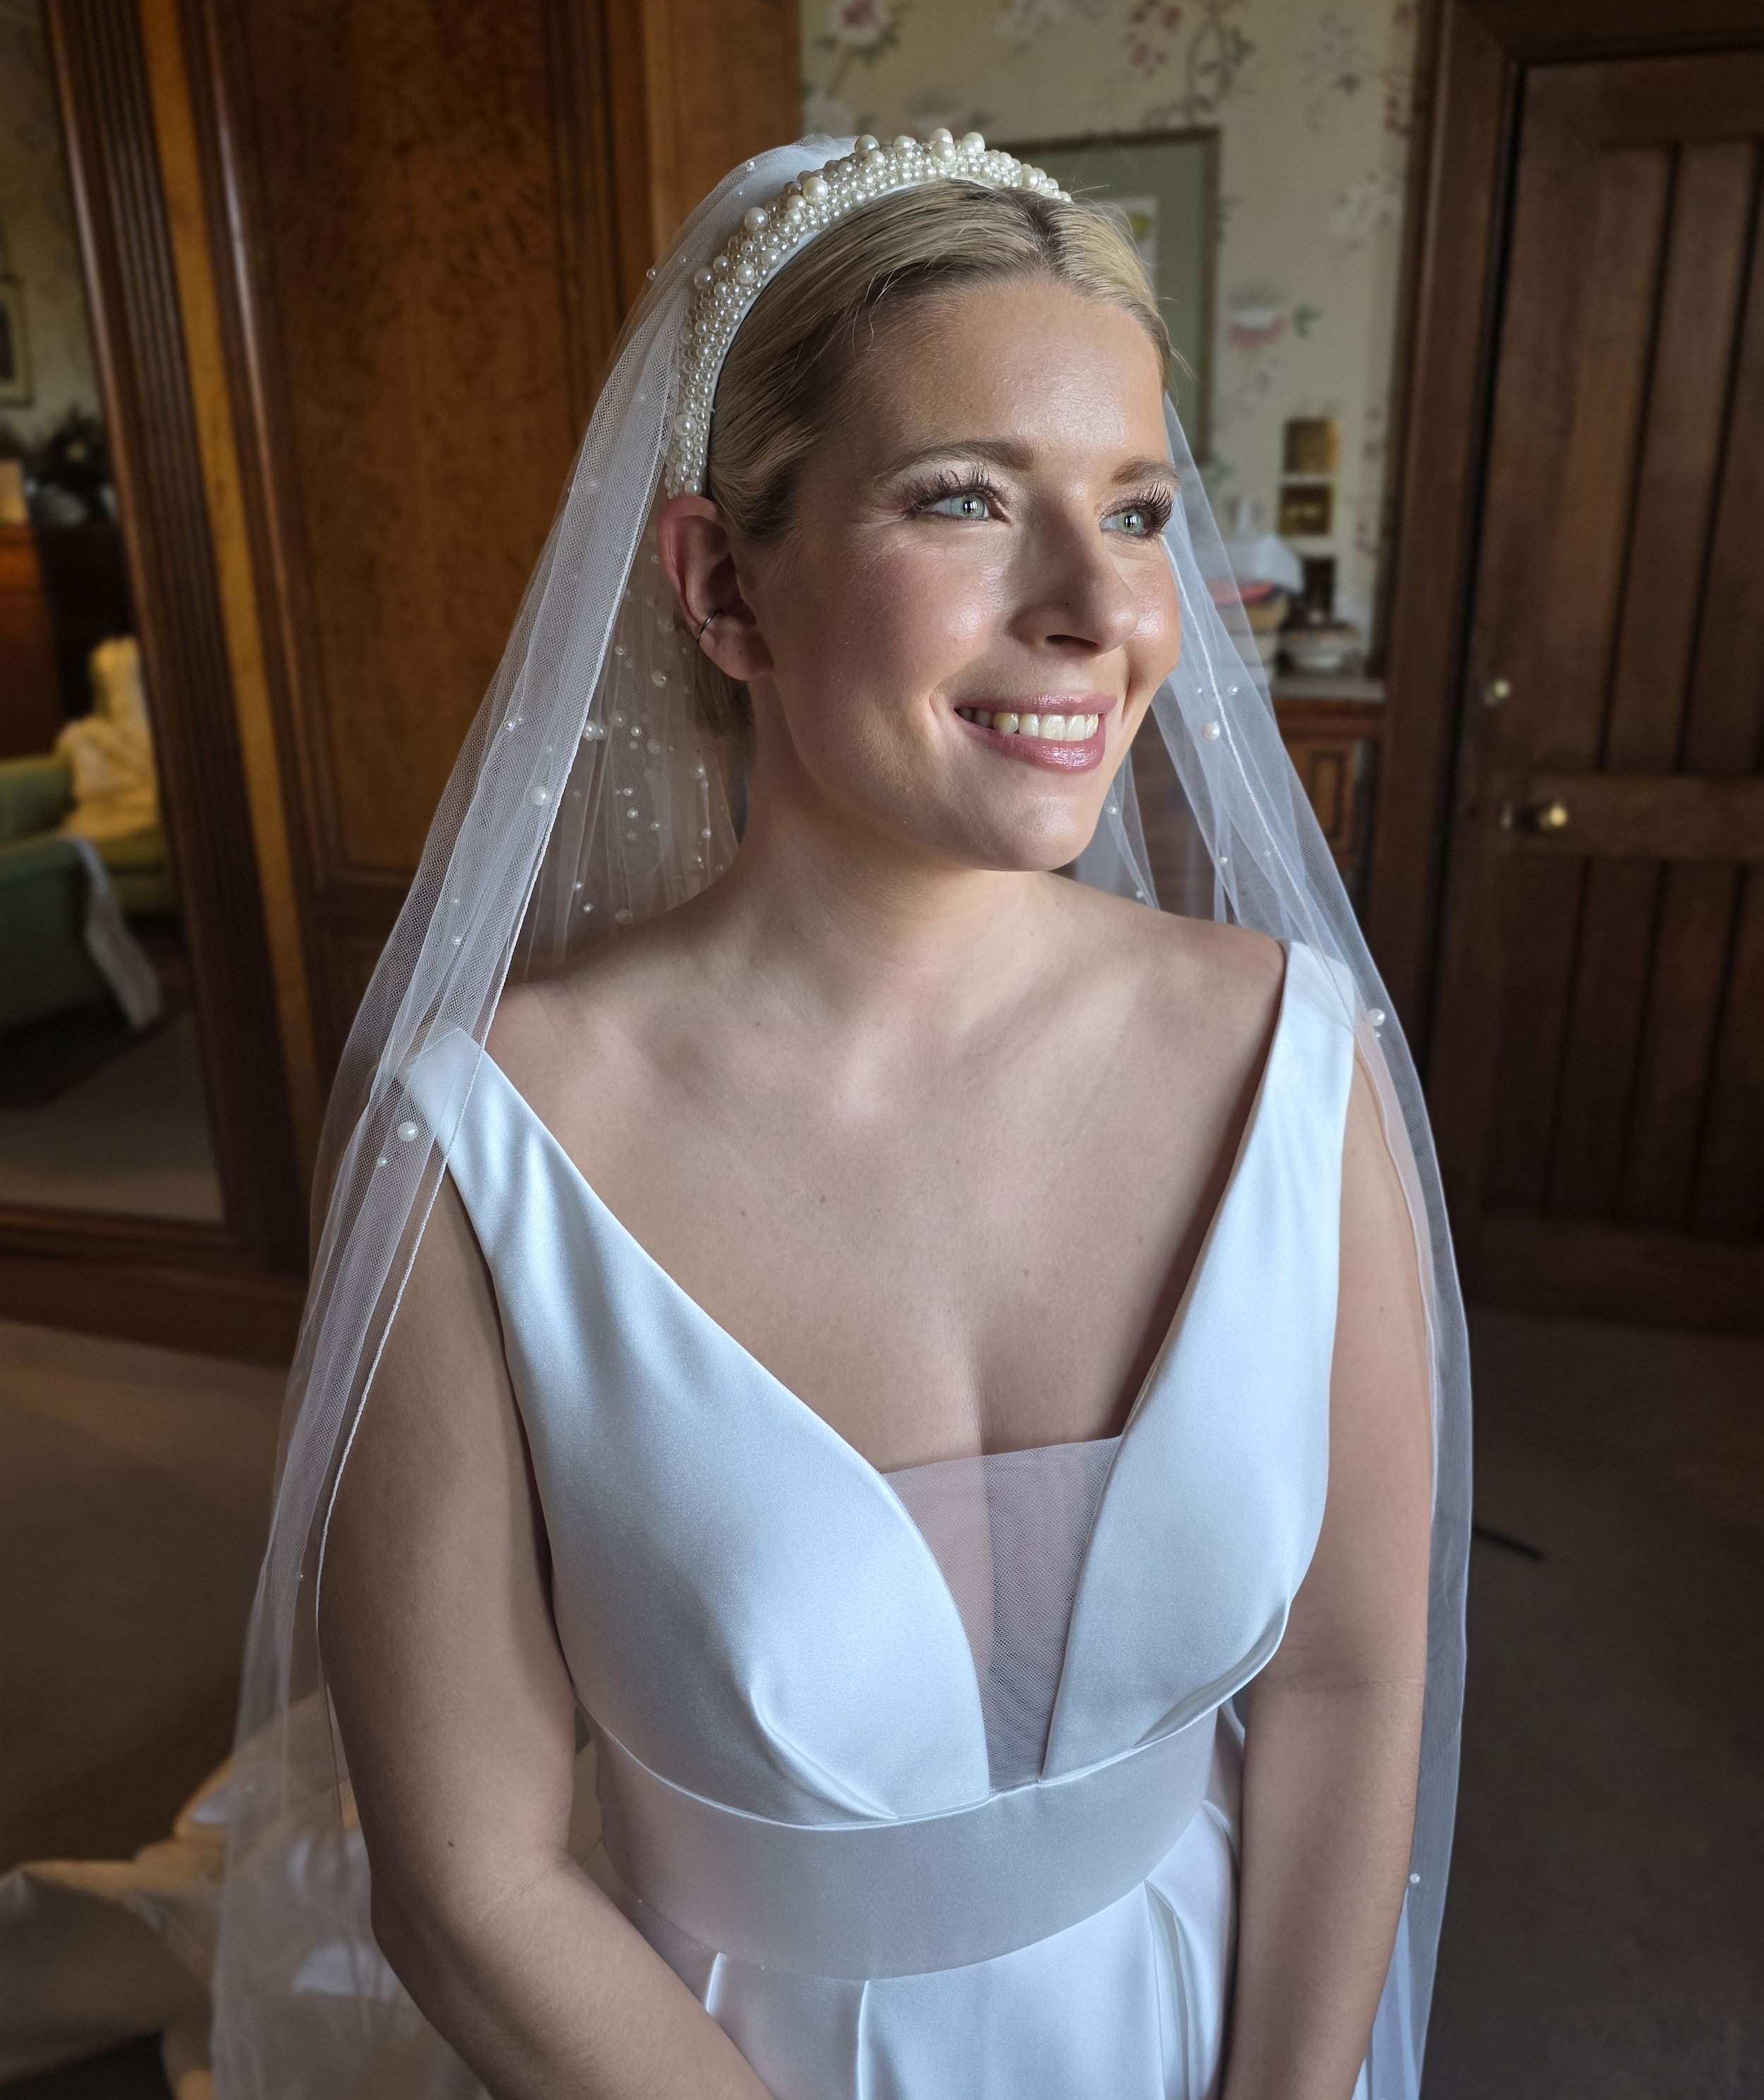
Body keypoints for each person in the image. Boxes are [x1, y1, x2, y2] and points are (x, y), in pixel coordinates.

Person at [212, 133, 1469, 2100]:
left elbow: (1345, 1668)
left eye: (1135, 510)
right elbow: (471, 1885)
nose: (1098, 610)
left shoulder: (1297, 1064)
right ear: (725, 584)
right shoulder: (482, 1146)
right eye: (964, 497)